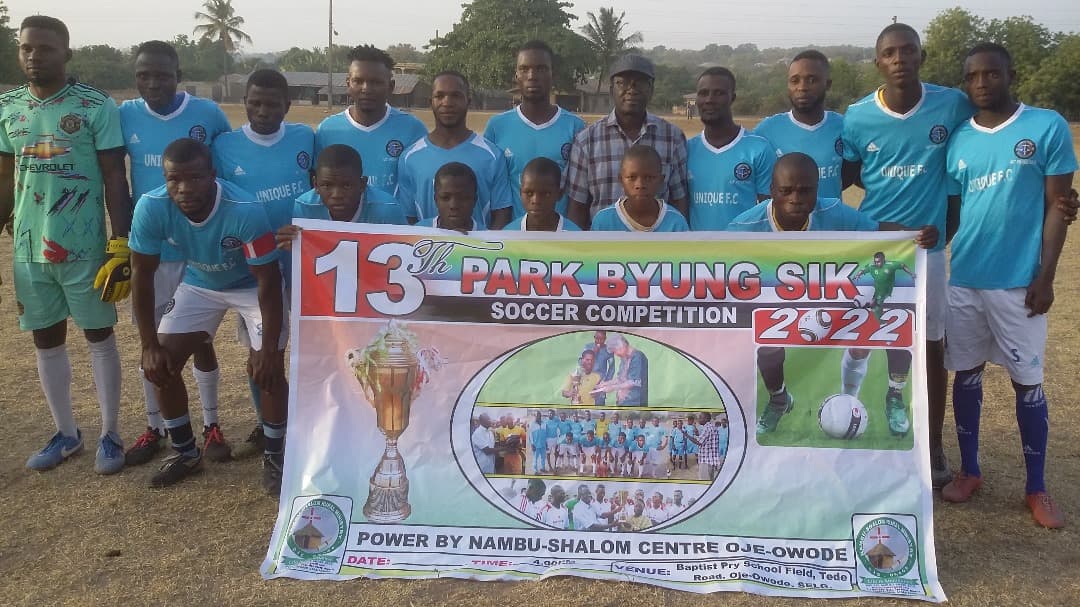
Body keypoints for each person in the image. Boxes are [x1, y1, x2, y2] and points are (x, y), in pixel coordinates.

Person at [941, 43, 1076, 529]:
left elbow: (1060, 208)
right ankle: (970, 470)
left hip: (1020, 284)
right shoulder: (958, 138)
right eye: (972, 76)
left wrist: (1046, 277)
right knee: (966, 374)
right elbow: (953, 215)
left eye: (991, 74)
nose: (982, 83)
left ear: (1010, 74)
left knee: (1028, 383)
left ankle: (1037, 487)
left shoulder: (1046, 126)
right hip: (967, 281)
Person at [840, 23, 976, 485]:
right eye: (889, 53)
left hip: (928, 253)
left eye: (908, 51)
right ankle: (851, 414)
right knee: (866, 336)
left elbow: (972, 154)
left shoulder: (952, 103)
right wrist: (885, 223)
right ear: (878, 62)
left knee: (929, 347)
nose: (899, 59)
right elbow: (855, 174)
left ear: (921, 55)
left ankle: (932, 445)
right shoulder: (856, 117)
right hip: (875, 253)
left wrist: (943, 229)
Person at [2, 16, 132, 474]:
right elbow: (4, 180)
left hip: (85, 247)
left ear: (66, 54)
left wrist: (121, 242)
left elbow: (115, 176)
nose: (34, 56)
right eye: (26, 48)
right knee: (45, 339)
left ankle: (110, 434)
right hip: (28, 249)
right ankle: (66, 433)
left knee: (98, 335)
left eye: (45, 48)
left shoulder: (95, 105)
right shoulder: (8, 107)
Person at [729, 153, 938, 433]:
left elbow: (880, 233)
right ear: (770, 191)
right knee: (766, 343)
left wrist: (914, 234)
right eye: (786, 191)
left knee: (892, 316)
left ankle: (893, 395)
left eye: (805, 191)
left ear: (818, 190)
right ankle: (779, 399)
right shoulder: (742, 229)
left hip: (828, 298)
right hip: (777, 298)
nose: (795, 198)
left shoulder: (834, 212)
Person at [129, 139, 287, 493]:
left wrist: (269, 350)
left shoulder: (244, 209)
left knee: (269, 370)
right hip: (199, 284)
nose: (184, 189)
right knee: (159, 364)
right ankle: (186, 453)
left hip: (250, 287)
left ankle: (276, 455)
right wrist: (148, 343)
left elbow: (268, 281)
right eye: (174, 180)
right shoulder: (151, 206)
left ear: (213, 176)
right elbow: (141, 275)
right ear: (165, 179)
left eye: (196, 178)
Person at [119, 39, 233, 466]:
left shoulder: (207, 114)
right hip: (151, 244)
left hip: (198, 242)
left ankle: (211, 423)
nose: (153, 82)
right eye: (144, 75)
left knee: (199, 338)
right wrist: (118, 236)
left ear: (178, 75)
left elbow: (221, 167)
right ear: (135, 78)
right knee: (152, 340)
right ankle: (156, 427)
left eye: (163, 74)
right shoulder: (125, 115)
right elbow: (114, 174)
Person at [212, 68, 315, 457]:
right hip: (254, 270)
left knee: (312, 346)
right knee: (263, 348)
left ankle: (308, 422)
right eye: (255, 102)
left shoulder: (307, 137)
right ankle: (267, 421)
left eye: (272, 103)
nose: (263, 110)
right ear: (245, 103)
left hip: (305, 263)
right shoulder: (224, 146)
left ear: (287, 106)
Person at [565, 54, 689, 228]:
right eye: (622, 82)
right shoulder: (587, 141)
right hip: (604, 246)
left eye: (640, 82)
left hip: (658, 249)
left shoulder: (673, 137)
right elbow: (577, 206)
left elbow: (679, 200)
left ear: (651, 90)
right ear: (611, 90)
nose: (631, 89)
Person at [396, 71, 512, 228]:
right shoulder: (409, 157)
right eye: (440, 96)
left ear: (468, 101)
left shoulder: (492, 155)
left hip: (477, 251)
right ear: (431, 101)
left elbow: (502, 213)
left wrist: (487, 250)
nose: (447, 102)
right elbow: (407, 216)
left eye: (456, 96)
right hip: (428, 250)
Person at [484, 40, 585, 217]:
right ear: (516, 75)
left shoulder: (575, 126)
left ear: (552, 74)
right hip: (513, 237)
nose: (532, 75)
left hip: (559, 237)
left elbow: (579, 192)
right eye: (524, 69)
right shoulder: (496, 126)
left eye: (541, 69)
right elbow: (491, 187)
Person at [313, 45, 426, 193]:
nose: (366, 88)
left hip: (394, 216)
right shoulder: (327, 130)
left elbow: (420, 183)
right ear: (348, 84)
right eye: (358, 81)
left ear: (391, 86)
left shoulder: (413, 129)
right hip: (343, 217)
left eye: (376, 82)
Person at [686, 67, 775, 230]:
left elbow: (768, 211)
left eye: (718, 93)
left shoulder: (759, 148)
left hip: (743, 250)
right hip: (698, 251)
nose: (709, 100)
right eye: (703, 93)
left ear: (732, 98)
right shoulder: (687, 149)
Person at [753, 51, 845, 199]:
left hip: (832, 221)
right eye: (795, 81)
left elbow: (851, 175)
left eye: (812, 80)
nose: (802, 87)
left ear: (827, 84)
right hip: (784, 222)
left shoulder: (844, 126)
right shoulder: (766, 130)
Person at [590, 145, 689, 233]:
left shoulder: (676, 223)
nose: (640, 185)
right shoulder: (603, 222)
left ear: (661, 180)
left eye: (649, 178)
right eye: (632, 177)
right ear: (621, 180)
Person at [505, 157, 581, 231]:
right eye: (529, 193)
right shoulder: (508, 235)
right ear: (520, 193)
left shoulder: (576, 236)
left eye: (546, 194)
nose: (536, 200)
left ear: (559, 194)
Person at [414, 162, 479, 232]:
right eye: (445, 198)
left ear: (474, 200)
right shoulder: (417, 232)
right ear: (436, 200)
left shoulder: (489, 238)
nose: (453, 206)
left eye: (462, 198)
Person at [596, 333, 650, 405]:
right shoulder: (624, 358)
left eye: (615, 351)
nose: (615, 354)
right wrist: (605, 384)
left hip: (635, 403)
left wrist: (612, 387)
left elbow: (633, 381)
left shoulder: (638, 357)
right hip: (623, 402)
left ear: (623, 346)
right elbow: (620, 379)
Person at [687, 412, 722, 481]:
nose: (698, 419)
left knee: (704, 480)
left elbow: (699, 442)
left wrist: (686, 435)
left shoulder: (707, 428)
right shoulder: (710, 427)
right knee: (710, 479)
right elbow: (702, 438)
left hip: (706, 461)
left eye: (700, 417)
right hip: (710, 460)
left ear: (706, 418)